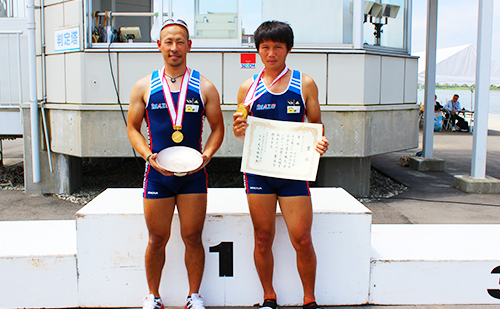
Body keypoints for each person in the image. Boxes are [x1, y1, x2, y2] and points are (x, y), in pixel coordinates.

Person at [127, 18, 224, 309]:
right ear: (159, 46)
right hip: (157, 175)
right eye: (168, 41)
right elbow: (132, 127)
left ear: (189, 46)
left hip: (194, 174)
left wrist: (206, 155)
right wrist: (147, 156)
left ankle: (194, 297)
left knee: (192, 236)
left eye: (180, 41)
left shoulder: (204, 86)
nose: (174, 47)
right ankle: (153, 296)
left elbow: (218, 128)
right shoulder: (144, 86)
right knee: (157, 238)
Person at [232, 21, 329, 309]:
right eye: (265, 47)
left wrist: (320, 144)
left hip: (293, 172)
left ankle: (310, 299)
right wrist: (239, 130)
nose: (271, 53)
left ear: (288, 49)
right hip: (259, 171)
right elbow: (240, 132)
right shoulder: (248, 88)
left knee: (302, 239)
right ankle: (268, 298)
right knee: (262, 238)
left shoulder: (304, 83)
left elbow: (316, 126)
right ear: (258, 50)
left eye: (277, 47)